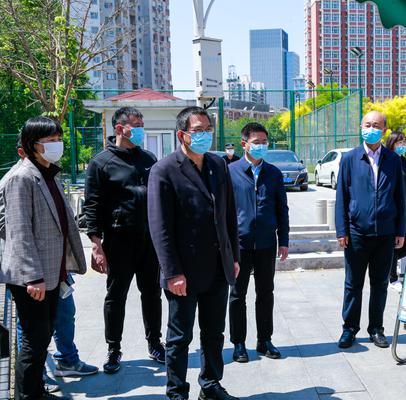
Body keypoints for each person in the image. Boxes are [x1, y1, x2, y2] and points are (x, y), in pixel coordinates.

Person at [148, 106, 240, 400]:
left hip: (218, 267)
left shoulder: (218, 164)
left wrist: (233, 256)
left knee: (214, 333)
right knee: (179, 337)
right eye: (197, 130)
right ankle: (177, 392)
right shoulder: (164, 170)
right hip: (183, 272)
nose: (204, 135)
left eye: (208, 129)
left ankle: (210, 385)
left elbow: (228, 215)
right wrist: (172, 272)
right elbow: (160, 228)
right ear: (182, 135)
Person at [0, 117, 87, 400]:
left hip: (51, 271)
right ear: (31, 145)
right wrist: (32, 277)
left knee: (42, 337)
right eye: (49, 141)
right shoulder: (21, 178)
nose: (56, 145)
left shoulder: (49, 174)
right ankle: (27, 395)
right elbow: (19, 231)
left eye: (58, 139)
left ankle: (36, 391)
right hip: (33, 277)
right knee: (34, 341)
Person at [83, 106, 164, 374]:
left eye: (142, 124)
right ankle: (114, 348)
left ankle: (155, 343)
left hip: (149, 241)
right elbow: (92, 206)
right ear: (120, 128)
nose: (140, 129)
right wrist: (96, 245)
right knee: (116, 296)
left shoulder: (148, 159)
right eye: (135, 125)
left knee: (152, 294)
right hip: (118, 241)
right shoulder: (101, 163)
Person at [335, 110, 406, 349]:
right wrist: (342, 230)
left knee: (380, 284)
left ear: (384, 130)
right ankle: (349, 329)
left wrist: (400, 230)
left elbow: (400, 197)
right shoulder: (349, 159)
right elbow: (342, 197)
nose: (371, 129)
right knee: (353, 284)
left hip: (385, 234)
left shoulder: (393, 160)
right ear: (361, 127)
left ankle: (376, 328)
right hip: (357, 233)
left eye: (376, 125)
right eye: (367, 124)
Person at [228, 122, 290, 363]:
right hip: (239, 245)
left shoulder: (273, 173)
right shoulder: (231, 172)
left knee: (265, 293)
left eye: (265, 142)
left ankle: (265, 340)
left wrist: (283, 240)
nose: (261, 146)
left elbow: (282, 209)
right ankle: (238, 343)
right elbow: (223, 210)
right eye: (257, 142)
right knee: (237, 294)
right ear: (244, 144)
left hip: (266, 243)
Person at [383, 130, 406, 283]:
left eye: (405, 142)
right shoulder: (386, 161)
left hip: (405, 210)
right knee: (392, 244)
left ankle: (389, 266)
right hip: (391, 211)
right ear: (392, 143)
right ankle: (391, 277)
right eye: (400, 142)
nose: (403, 145)